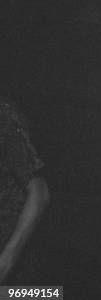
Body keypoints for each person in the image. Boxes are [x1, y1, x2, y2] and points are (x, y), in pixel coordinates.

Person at [0, 98, 49, 283]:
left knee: (49, 295)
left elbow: (40, 194)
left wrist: (5, 261)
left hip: (14, 279)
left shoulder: (3, 118)